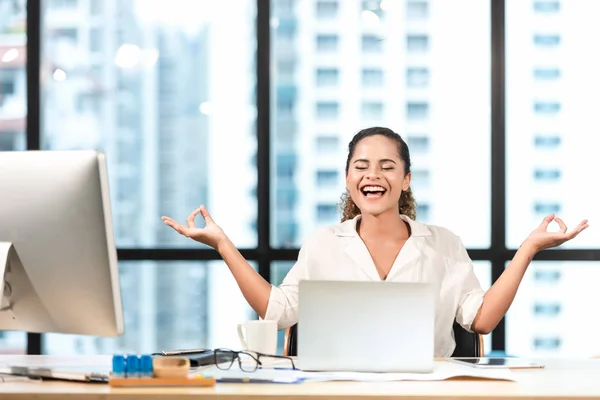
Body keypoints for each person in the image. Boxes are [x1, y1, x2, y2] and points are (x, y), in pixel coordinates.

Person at [161, 126, 589, 356]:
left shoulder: (443, 243)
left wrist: (527, 250)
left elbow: (481, 321)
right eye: (361, 166)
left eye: (387, 167)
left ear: (405, 180)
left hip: (428, 389)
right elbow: (276, 312)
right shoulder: (323, 243)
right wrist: (223, 245)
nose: (373, 175)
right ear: (348, 179)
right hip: (335, 388)